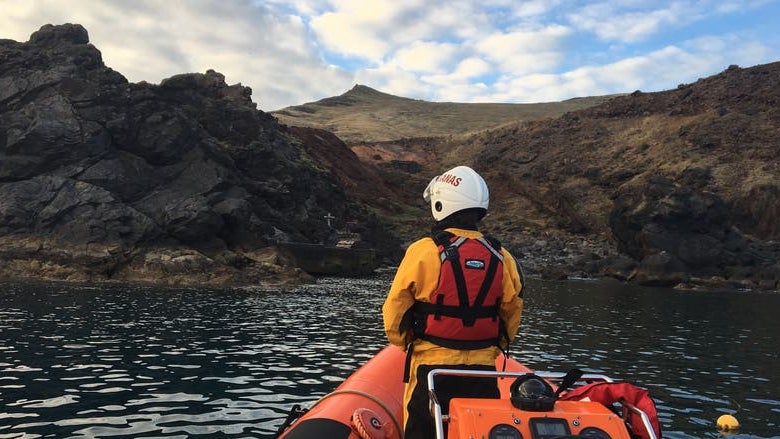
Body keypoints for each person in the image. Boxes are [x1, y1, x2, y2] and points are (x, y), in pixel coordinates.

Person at [382, 165, 525, 438]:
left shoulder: (423, 250)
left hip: (431, 366)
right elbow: (512, 312)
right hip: (483, 372)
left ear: (441, 203)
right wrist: (493, 349)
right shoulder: (502, 256)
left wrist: (408, 342)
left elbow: (396, 310)